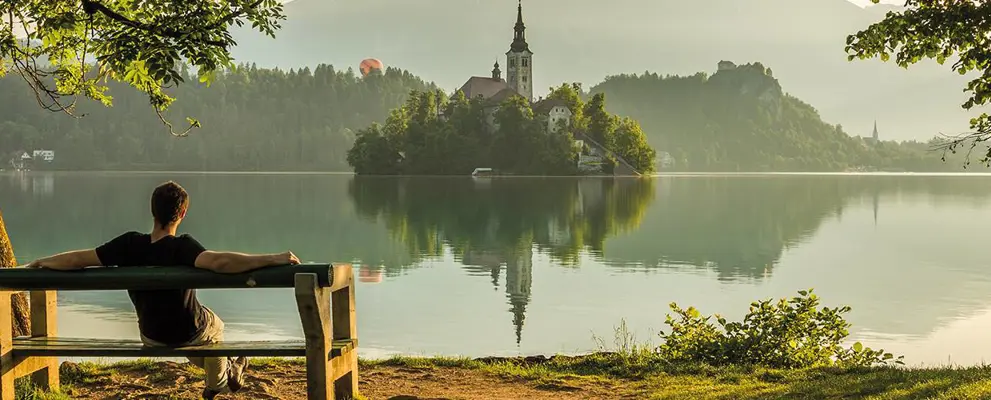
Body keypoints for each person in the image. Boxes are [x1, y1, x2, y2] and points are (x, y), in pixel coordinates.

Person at [23, 181, 300, 399]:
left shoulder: (129, 244)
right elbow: (221, 262)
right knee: (215, 327)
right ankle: (221, 381)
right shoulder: (182, 246)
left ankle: (228, 374)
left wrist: (41, 262)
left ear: (152, 211)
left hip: (151, 335)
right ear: (182, 213)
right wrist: (273, 258)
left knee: (200, 336)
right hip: (190, 333)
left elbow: (77, 260)